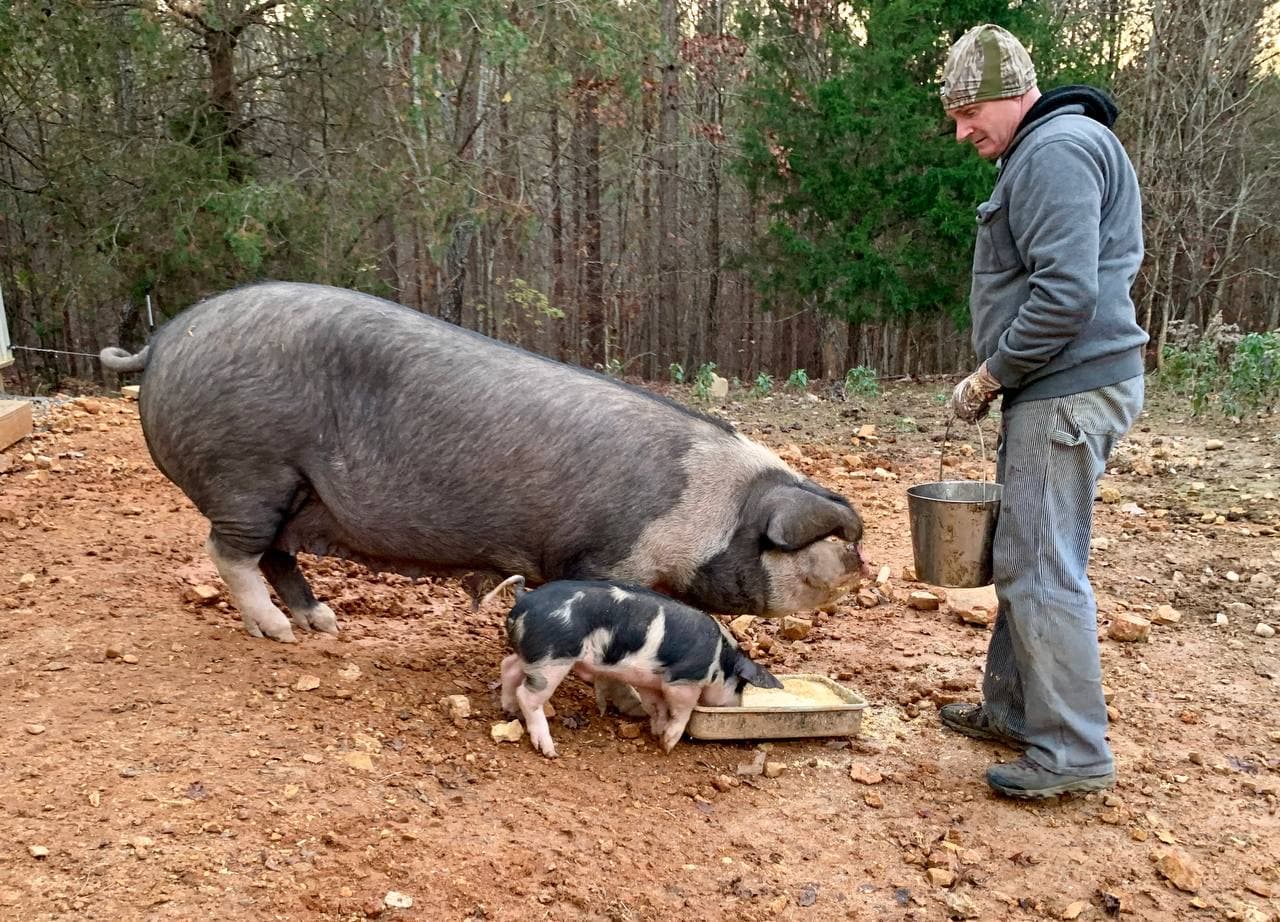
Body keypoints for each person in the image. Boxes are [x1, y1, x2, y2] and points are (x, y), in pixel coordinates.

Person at [937, 24, 1149, 798]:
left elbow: (1066, 295)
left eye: (970, 113)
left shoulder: (1056, 151)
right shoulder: (1051, 146)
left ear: (1012, 94)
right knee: (1027, 553)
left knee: (1038, 565)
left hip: (1064, 388)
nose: (962, 132)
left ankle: (1070, 752)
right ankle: (1015, 710)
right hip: (1059, 386)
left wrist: (989, 376)